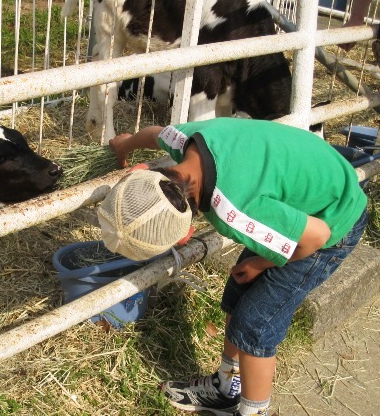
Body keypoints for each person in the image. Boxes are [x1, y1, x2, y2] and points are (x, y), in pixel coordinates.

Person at [97, 118, 368, 415]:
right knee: (237, 294)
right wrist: (125, 144)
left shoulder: (234, 210)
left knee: (254, 327)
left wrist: (262, 263)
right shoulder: (187, 142)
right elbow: (153, 134)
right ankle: (227, 389)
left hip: (332, 222)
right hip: (298, 194)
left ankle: (254, 411)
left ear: (185, 231)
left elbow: (317, 237)